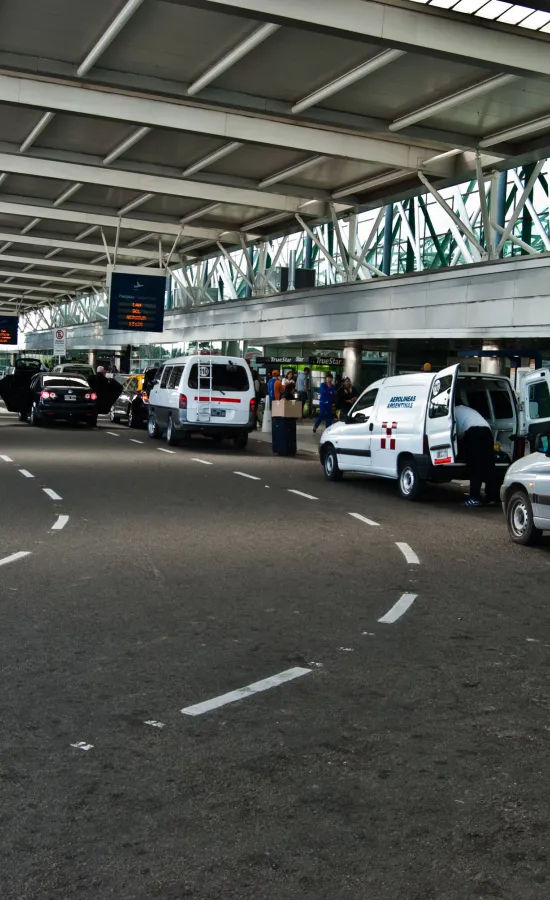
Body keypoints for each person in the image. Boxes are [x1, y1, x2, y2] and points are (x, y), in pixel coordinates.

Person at [455, 404, 498, 507]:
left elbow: (455, 433)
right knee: (488, 466)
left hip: (474, 433)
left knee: (475, 467)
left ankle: (474, 498)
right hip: (487, 431)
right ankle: (492, 498)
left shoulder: (451, 412)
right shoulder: (467, 409)